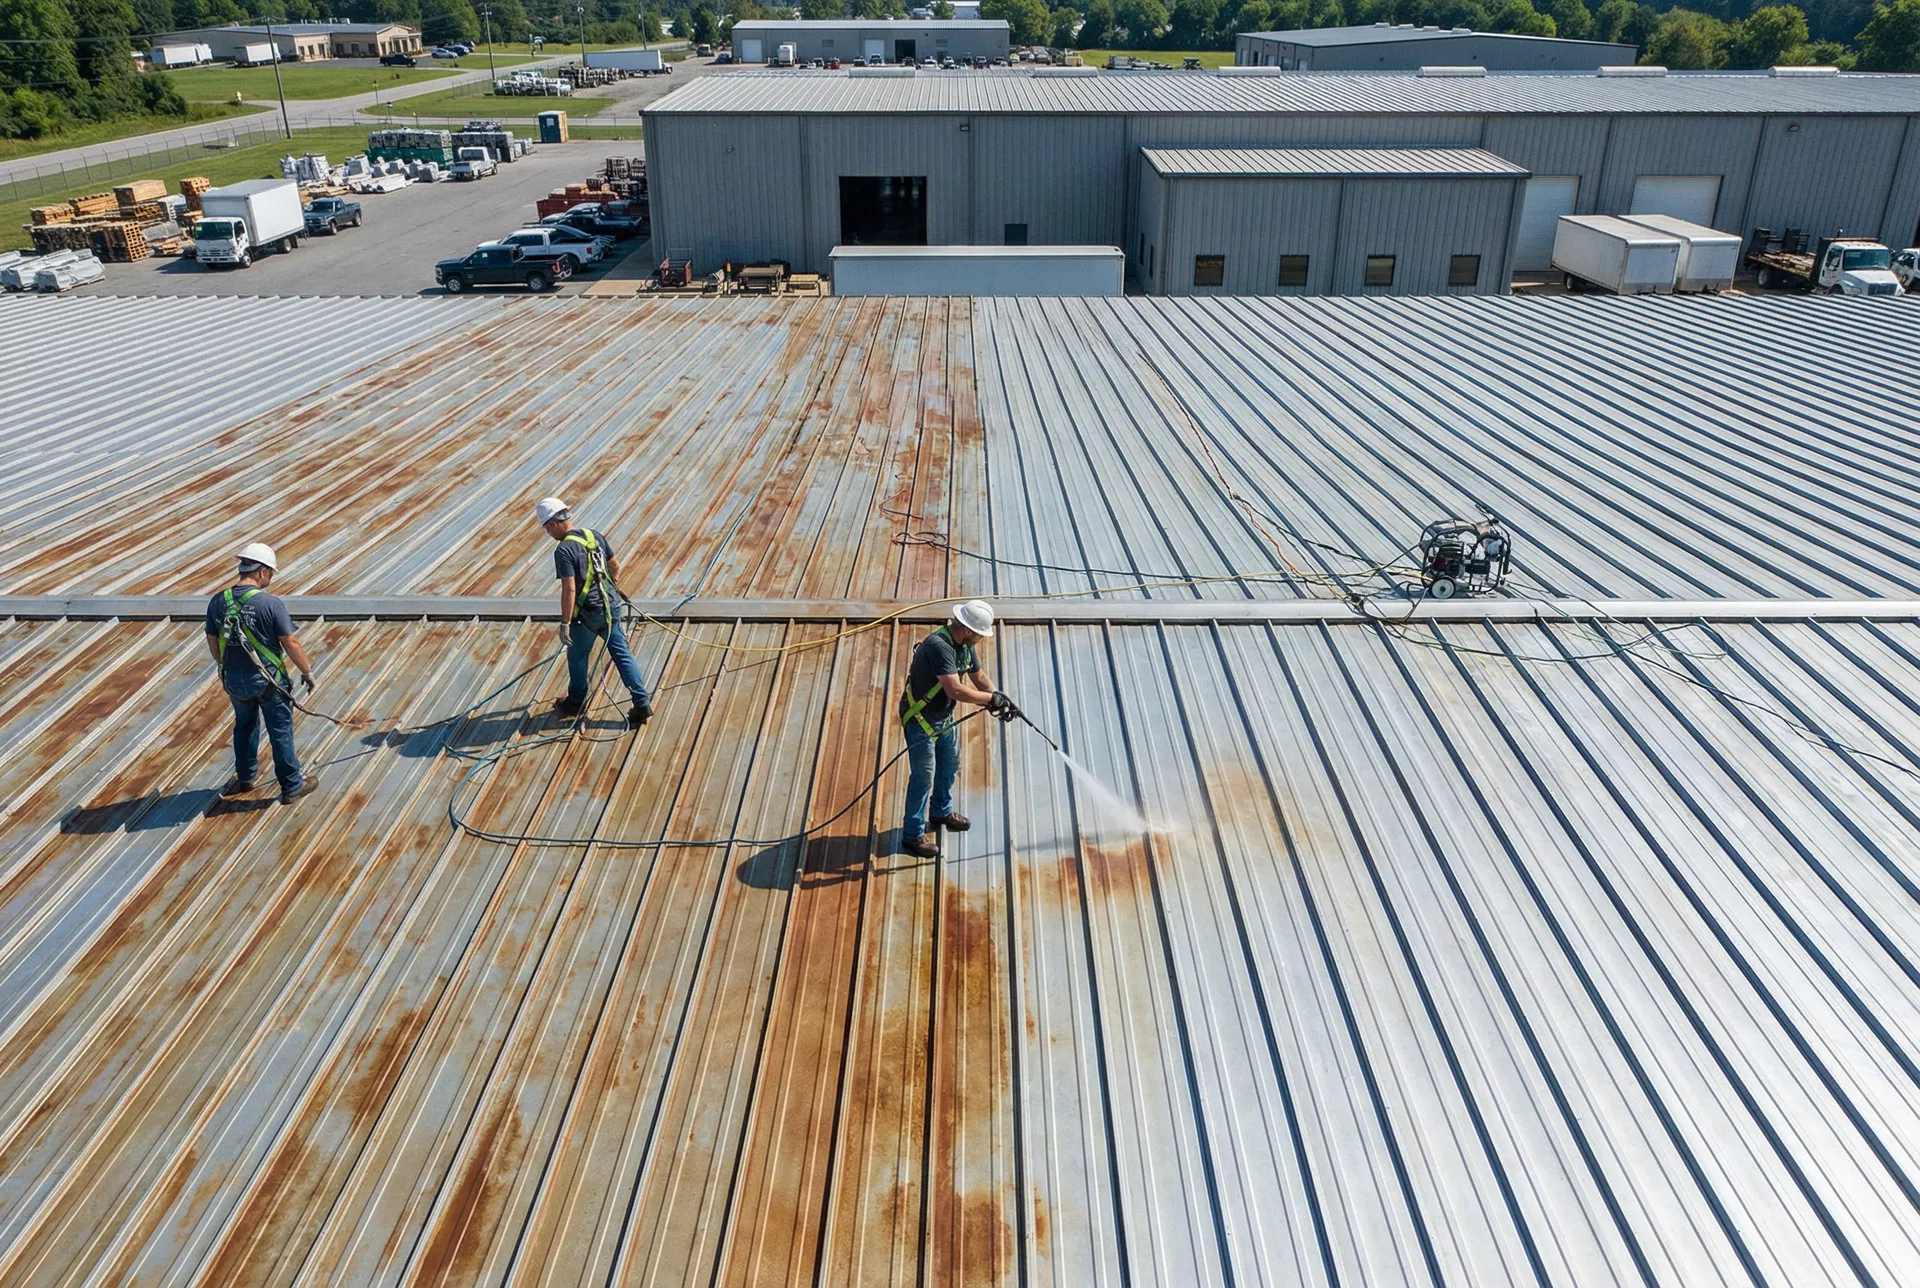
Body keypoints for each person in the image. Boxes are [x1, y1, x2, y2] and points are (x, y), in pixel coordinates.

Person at [204, 541, 317, 805]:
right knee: (280, 730)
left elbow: (211, 638)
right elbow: (291, 642)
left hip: (234, 679)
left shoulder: (218, 602)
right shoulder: (270, 604)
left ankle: (245, 778)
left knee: (244, 726)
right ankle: (291, 786)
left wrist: (225, 666)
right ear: (263, 572)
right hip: (268, 681)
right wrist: (307, 671)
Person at [897, 599, 1013, 859]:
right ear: (968, 631)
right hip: (921, 719)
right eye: (980, 635)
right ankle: (912, 835)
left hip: (943, 717)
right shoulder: (939, 646)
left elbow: (979, 677)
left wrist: (999, 696)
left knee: (950, 764)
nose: (981, 639)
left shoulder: (964, 646)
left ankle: (940, 811)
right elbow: (956, 690)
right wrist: (989, 700)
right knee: (923, 776)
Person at [535, 496, 652, 725]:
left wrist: (565, 623)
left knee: (577, 656)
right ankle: (641, 703)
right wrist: (612, 588)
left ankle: (576, 702)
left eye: (547, 529)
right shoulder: (594, 535)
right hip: (611, 607)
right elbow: (614, 565)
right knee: (622, 655)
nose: (549, 534)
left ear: (553, 524)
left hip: (587, 615)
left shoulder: (563, 550)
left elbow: (569, 589)